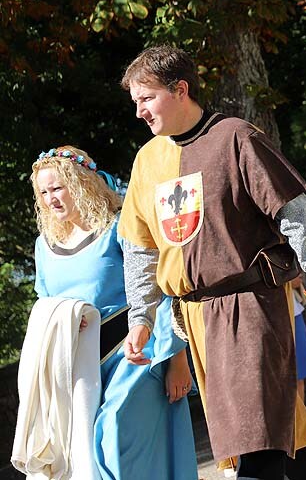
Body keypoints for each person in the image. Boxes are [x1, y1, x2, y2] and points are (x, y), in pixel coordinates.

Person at [117, 46, 306, 480]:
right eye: (135, 101)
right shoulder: (147, 161)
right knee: (284, 438)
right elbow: (140, 248)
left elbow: (296, 215)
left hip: (250, 307)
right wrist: (142, 318)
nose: (139, 112)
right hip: (193, 317)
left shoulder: (235, 137)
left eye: (146, 98)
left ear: (180, 89)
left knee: (255, 441)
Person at [29, 146, 197, 479]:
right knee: (90, 450)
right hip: (81, 369)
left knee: (114, 429)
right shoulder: (43, 245)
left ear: (80, 183)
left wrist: (177, 360)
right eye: (43, 192)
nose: (51, 199)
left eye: (57, 188)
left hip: (136, 354)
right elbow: (43, 305)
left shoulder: (119, 227)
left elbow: (158, 290)